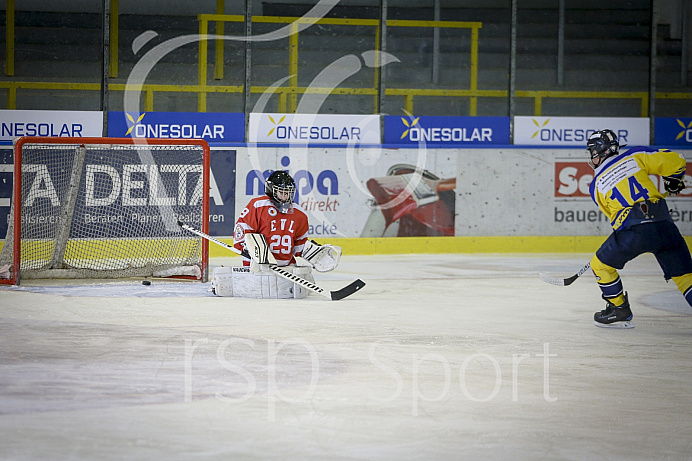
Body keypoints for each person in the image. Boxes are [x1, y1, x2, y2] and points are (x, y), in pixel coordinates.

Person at [586, 129, 692, 329]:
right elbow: (677, 160)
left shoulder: (596, 185)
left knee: (600, 265)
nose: (592, 157)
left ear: (600, 152)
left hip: (633, 233)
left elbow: (614, 217)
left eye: (593, 152)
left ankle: (619, 310)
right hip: (664, 225)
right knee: (686, 277)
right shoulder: (634, 155)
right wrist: (673, 180)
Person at [211, 170, 341, 298]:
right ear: (271, 190)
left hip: (286, 269)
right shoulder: (258, 206)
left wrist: (314, 253)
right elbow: (242, 230)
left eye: (288, 193)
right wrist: (248, 248)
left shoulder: (299, 214)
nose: (285, 196)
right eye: (281, 192)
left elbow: (299, 244)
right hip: (257, 267)